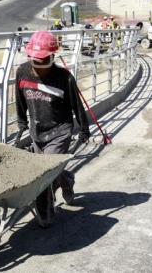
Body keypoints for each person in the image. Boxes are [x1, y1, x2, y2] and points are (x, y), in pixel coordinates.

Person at [15, 31, 90, 227]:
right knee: (52, 172)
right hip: (37, 132)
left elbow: (77, 105)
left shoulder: (64, 78)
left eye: (42, 61)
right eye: (34, 61)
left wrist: (84, 129)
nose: (38, 67)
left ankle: (46, 213)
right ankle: (67, 179)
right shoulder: (22, 73)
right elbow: (20, 100)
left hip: (60, 131)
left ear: (52, 57)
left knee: (43, 174)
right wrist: (22, 122)